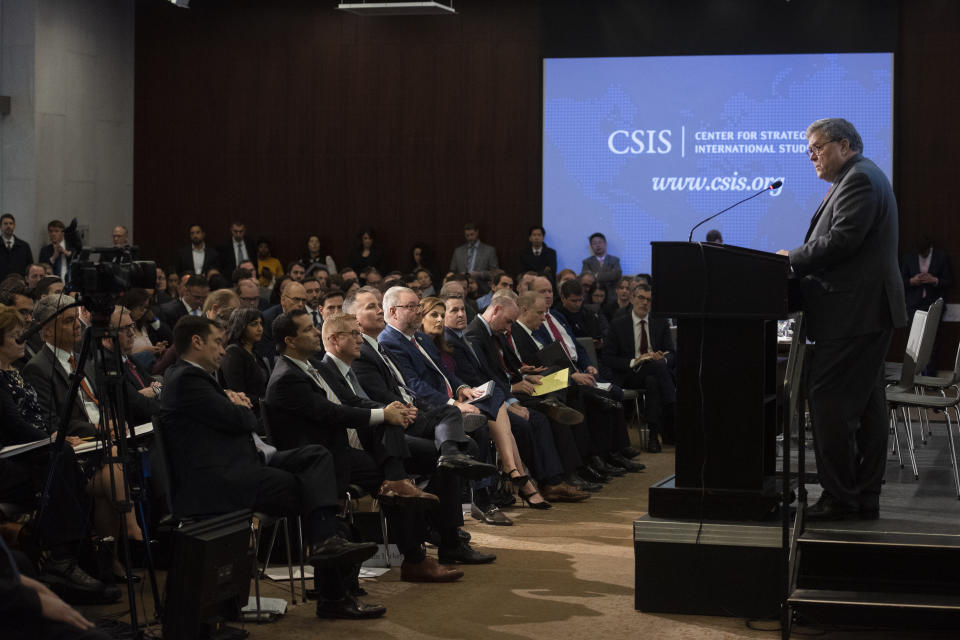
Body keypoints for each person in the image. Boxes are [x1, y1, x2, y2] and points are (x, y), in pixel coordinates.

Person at [160, 316, 385, 619]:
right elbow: (245, 420)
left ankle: (325, 544)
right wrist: (239, 406)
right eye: (217, 342)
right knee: (321, 499)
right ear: (196, 342)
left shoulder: (198, 379)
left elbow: (237, 419)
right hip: (223, 478)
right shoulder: (187, 379)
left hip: (249, 461)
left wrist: (233, 403)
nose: (223, 351)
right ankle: (332, 588)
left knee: (316, 457)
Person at [778, 117, 907, 521]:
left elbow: (842, 240)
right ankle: (863, 494)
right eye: (809, 150)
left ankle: (840, 496)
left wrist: (790, 259)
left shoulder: (860, 180)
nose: (811, 156)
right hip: (860, 313)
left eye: (817, 147)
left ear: (845, 144)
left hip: (854, 314)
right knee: (867, 406)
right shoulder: (857, 177)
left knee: (829, 401)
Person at [601, 282, 676, 451]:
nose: (645, 303)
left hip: (654, 372)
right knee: (658, 373)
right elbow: (607, 358)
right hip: (630, 373)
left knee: (653, 379)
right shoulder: (618, 324)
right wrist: (634, 361)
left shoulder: (660, 322)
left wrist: (661, 358)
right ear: (633, 299)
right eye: (641, 298)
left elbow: (671, 353)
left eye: (649, 299)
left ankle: (653, 437)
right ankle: (672, 404)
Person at [220, 307, 270, 417]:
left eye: (261, 324)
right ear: (240, 327)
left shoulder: (255, 353)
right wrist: (266, 401)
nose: (260, 329)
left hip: (262, 410)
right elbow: (237, 392)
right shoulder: (233, 353)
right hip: (247, 413)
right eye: (254, 324)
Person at [581, 232, 621, 299]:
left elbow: (616, 275)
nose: (598, 245)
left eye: (600, 242)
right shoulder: (587, 262)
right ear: (591, 246)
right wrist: (609, 275)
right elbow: (586, 279)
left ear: (605, 243)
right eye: (594, 243)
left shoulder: (615, 260)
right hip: (593, 296)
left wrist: (596, 275)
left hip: (612, 296)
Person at [0, 213, 34, 279]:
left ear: (14, 225)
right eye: (5, 224)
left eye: (11, 223)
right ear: (1, 226)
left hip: (20, 285)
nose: (8, 226)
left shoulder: (24, 246)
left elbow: (30, 268)